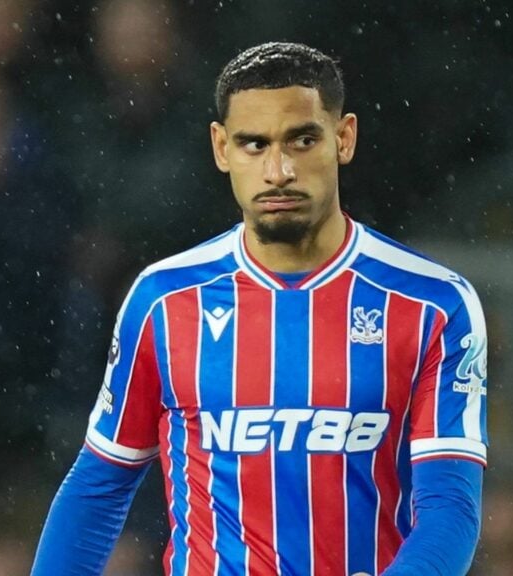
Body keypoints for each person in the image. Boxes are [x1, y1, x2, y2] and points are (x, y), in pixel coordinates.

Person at [31, 42, 488, 576]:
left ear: (344, 139)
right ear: (221, 148)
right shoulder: (164, 300)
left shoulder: (432, 305)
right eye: (254, 145)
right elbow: (98, 487)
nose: (278, 170)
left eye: (302, 140)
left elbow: (450, 507)